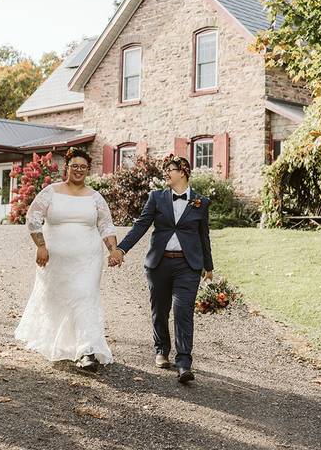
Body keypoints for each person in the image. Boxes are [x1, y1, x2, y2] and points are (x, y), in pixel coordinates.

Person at [108, 154, 213, 383]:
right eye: (165, 170)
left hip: (188, 266)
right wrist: (121, 250)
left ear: (183, 172)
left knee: (183, 311)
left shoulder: (200, 202)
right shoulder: (156, 198)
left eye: (170, 169)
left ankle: (184, 362)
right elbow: (141, 226)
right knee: (160, 310)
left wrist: (209, 267)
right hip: (159, 264)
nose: (166, 173)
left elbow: (204, 236)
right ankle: (161, 350)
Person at [14, 147, 118, 371]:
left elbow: (106, 225)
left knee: (85, 297)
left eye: (83, 167)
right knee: (59, 300)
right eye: (74, 166)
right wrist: (41, 246)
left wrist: (113, 249)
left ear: (87, 170)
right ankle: (63, 344)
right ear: (66, 168)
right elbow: (33, 218)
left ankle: (87, 351)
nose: (79, 170)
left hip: (88, 259)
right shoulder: (51, 192)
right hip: (56, 260)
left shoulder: (95, 197)